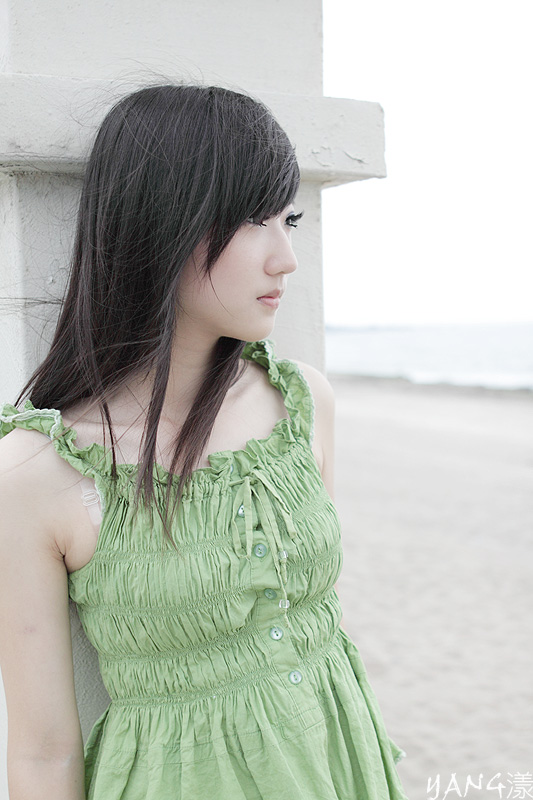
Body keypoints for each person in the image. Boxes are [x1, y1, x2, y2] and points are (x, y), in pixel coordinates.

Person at [0, 83, 408, 799]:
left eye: (289, 218)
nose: (285, 257)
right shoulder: (38, 473)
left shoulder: (300, 403)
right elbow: (41, 751)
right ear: (163, 223)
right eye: (253, 220)